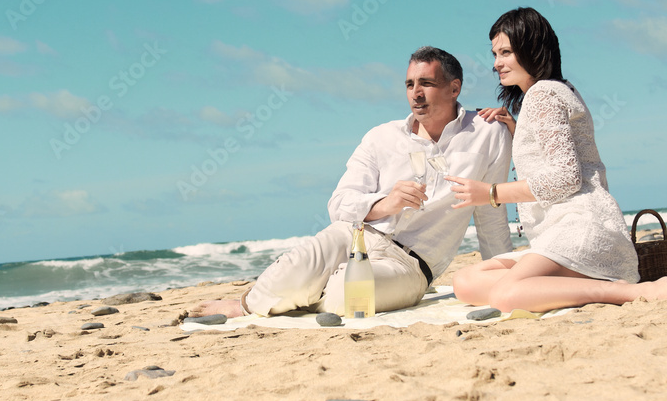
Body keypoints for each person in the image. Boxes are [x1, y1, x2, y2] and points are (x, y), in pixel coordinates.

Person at [196, 46, 513, 318]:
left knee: (345, 293)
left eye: (426, 84)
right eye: (409, 84)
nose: (415, 94)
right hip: (355, 235)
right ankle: (247, 304)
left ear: (454, 88)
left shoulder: (487, 133)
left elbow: (491, 217)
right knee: (295, 264)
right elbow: (339, 205)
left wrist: (502, 279)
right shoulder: (381, 137)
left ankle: (302, 296)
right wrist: (384, 203)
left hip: (411, 265)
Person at [447, 8, 667, 313]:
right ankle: (567, 286)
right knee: (465, 281)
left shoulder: (543, 95)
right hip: (560, 231)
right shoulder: (553, 92)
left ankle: (627, 291)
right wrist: (517, 130)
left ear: (532, 49)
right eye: (495, 54)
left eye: (506, 52)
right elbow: (553, 157)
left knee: (504, 296)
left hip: (582, 228)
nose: (496, 63)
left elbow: (566, 178)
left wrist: (489, 193)